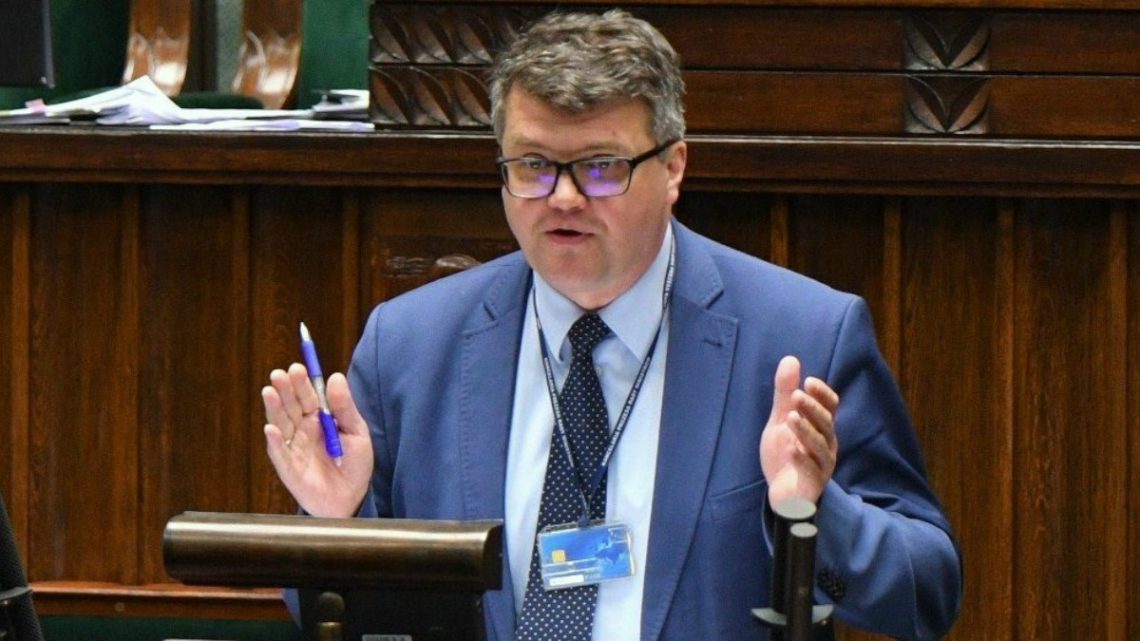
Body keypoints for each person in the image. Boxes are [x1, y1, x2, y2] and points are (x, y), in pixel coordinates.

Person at [261, 9, 962, 641]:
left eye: (600, 167)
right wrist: (335, 526)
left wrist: (809, 515)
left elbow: (927, 593)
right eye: (534, 165)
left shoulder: (802, 337)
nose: (563, 197)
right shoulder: (411, 345)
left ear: (673, 166)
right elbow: (330, 611)